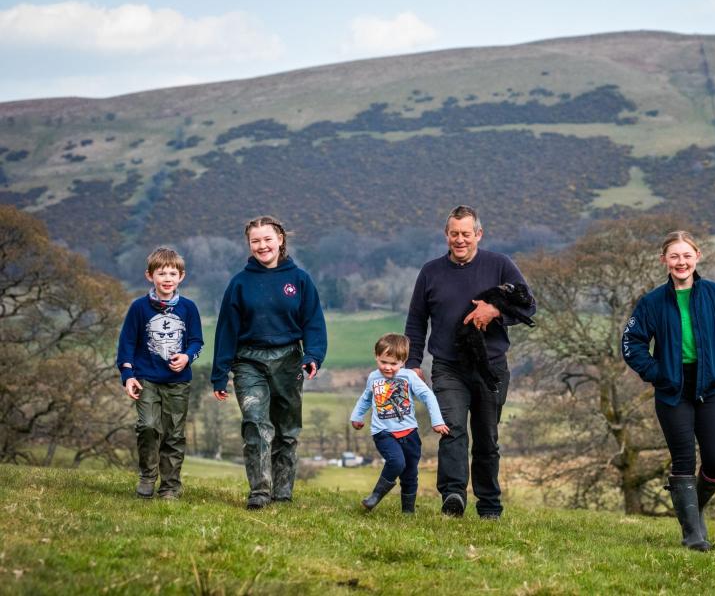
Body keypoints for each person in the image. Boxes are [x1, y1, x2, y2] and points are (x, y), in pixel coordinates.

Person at [404, 205, 536, 519]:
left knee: (487, 437)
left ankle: (489, 505)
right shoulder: (430, 272)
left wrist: (496, 312)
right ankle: (453, 495)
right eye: (454, 234)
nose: (460, 240)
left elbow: (528, 306)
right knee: (451, 430)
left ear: (478, 234)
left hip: (491, 367)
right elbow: (416, 321)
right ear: (446, 235)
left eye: (466, 234)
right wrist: (413, 363)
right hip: (448, 366)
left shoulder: (500, 265)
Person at [622, 230, 715, 551]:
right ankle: (693, 536)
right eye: (674, 256)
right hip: (671, 391)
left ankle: (694, 507)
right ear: (664, 260)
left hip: (709, 386)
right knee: (683, 460)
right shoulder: (651, 302)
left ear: (697, 257)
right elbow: (632, 343)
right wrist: (657, 373)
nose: (681, 262)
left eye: (687, 255)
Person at [211, 216, 327, 510]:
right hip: (249, 360)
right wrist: (220, 373)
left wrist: (313, 356)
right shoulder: (239, 284)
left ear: (280, 240)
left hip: (289, 360)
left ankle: (283, 490)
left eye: (267, 239)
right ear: (249, 245)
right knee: (256, 424)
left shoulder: (299, 279)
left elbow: (313, 322)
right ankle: (260, 491)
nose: (262, 246)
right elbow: (226, 330)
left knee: (287, 429)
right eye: (255, 241)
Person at [117, 247, 203, 500]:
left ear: (181, 277)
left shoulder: (188, 308)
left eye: (172, 273)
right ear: (149, 276)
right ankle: (147, 475)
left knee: (174, 433)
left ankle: (170, 486)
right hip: (146, 378)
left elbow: (197, 341)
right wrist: (128, 375)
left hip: (178, 382)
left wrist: (187, 356)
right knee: (148, 426)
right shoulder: (139, 308)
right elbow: (126, 344)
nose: (167, 278)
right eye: (161, 273)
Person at [350, 333, 449, 514]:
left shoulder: (409, 377)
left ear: (403, 361)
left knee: (410, 474)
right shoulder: (373, 378)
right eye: (383, 362)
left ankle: (408, 512)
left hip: (409, 433)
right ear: (376, 357)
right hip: (383, 432)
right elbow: (366, 398)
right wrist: (357, 417)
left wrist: (437, 421)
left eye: (393, 364)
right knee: (396, 462)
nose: (388, 367)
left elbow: (428, 396)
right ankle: (375, 497)